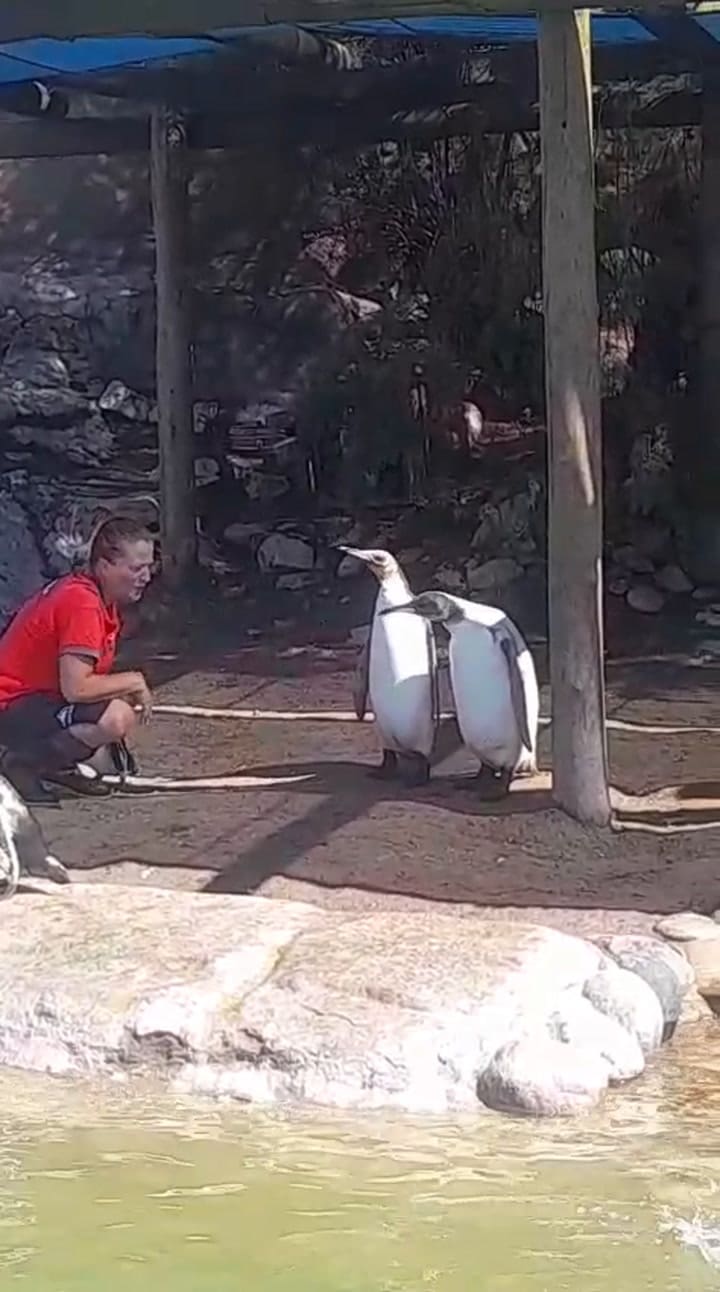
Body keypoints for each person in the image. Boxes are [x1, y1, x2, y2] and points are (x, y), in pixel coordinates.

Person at [0, 515, 155, 803]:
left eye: (148, 567)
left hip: (31, 698)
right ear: (105, 566)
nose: (146, 577)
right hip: (12, 703)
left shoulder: (90, 595)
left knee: (109, 729)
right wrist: (133, 681)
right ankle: (23, 763)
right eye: (136, 568)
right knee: (115, 719)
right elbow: (77, 688)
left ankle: (54, 764)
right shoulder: (83, 604)